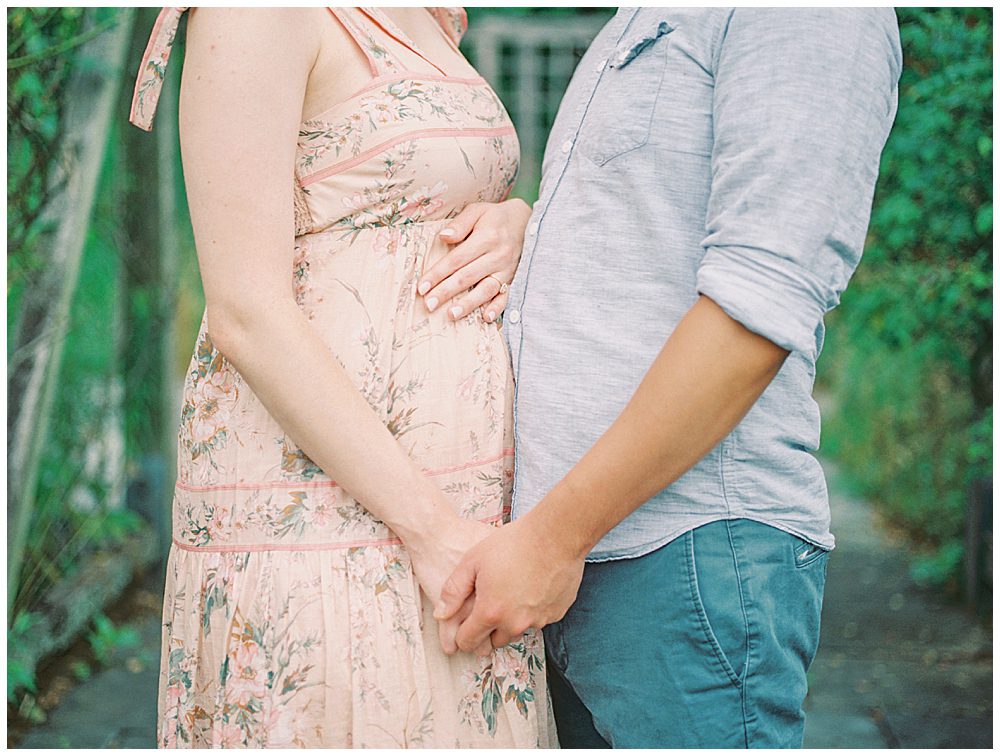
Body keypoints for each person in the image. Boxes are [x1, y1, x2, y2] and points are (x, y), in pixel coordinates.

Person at [435, 8, 903, 748]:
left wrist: (555, 538)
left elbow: (758, 309)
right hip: (576, 564)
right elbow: (649, 231)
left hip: (686, 559)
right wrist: (526, 228)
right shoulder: (645, 15)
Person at [128, 6, 555, 748]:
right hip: (339, 522)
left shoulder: (425, 11)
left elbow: (426, 196)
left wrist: (515, 223)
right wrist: (431, 531)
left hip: (457, 519)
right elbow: (244, 309)